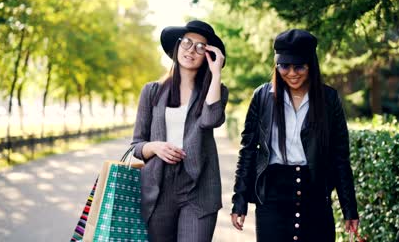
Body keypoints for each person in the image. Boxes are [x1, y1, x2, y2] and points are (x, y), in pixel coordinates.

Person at [230, 29, 359, 241]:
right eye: (284, 66)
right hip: (271, 197)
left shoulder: (328, 99)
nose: (292, 72)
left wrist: (349, 208)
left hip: (315, 195)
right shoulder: (262, 97)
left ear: (311, 65)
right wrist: (240, 201)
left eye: (299, 66)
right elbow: (248, 151)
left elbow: (340, 157)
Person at [131, 20, 228, 242]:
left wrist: (216, 74)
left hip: (199, 188)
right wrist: (155, 147)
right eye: (187, 43)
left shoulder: (216, 90)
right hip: (158, 187)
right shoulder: (152, 91)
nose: (191, 50)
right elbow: (136, 146)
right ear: (177, 46)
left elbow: (212, 119)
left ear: (208, 55)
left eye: (200, 47)